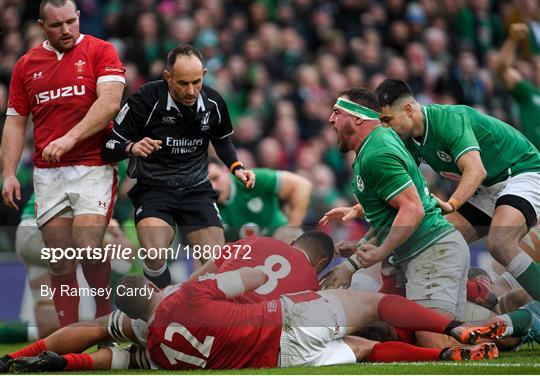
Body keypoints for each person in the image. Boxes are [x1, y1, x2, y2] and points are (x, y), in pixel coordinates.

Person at [0, 231, 335, 372]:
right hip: (233, 340)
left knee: (104, 327)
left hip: (193, 307)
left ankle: (17, 357)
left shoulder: (260, 240)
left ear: (293, 240)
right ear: (319, 263)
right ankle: (69, 364)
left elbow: (212, 265)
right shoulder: (312, 284)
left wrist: (181, 297)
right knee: (134, 360)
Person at [1, 0, 125, 326]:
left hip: (93, 166)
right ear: (42, 25)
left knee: (86, 248)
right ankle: (67, 340)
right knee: (59, 260)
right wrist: (9, 173)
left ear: (79, 16)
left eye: (71, 21)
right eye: (57, 25)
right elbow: (15, 123)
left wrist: (70, 138)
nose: (67, 30)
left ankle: (104, 321)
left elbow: (110, 102)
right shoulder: (27, 65)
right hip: (48, 173)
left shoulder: (101, 51)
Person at [323, 88, 471, 349]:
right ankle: (506, 326)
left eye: (337, 112)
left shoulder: (376, 154)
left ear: (357, 118)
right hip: (435, 249)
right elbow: (393, 213)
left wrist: (380, 252)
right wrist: (362, 244)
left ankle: (520, 321)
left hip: (431, 251)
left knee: (431, 339)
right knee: (442, 335)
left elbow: (413, 210)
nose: (330, 119)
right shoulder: (375, 145)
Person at [101, 44, 255, 288]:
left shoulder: (213, 102)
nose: (191, 90)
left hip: (196, 189)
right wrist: (132, 148)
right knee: (154, 255)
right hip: (153, 189)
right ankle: (159, 308)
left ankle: (208, 318)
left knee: (217, 262)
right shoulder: (144, 101)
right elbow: (107, 146)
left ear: (204, 74)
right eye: (183, 83)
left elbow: (222, 140)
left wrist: (237, 167)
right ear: (167, 77)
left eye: (196, 81)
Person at [374, 78, 540, 302]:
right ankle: (476, 292)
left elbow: (476, 170)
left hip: (523, 172)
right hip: (487, 188)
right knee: (433, 242)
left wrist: (452, 204)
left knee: (500, 243)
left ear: (407, 110)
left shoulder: (449, 119)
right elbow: (400, 199)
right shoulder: (406, 141)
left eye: (387, 120)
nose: (384, 127)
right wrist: (365, 242)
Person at [207, 157, 312, 243]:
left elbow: (302, 186)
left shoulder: (251, 179)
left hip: (279, 238)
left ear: (226, 171)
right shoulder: (204, 206)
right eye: (207, 184)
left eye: (216, 178)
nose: (213, 187)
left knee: (295, 235)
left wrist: (292, 226)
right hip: (245, 258)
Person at [496, 22, 540, 150]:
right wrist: (512, 40)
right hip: (532, 157)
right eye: (537, 67)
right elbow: (502, 69)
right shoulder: (528, 91)